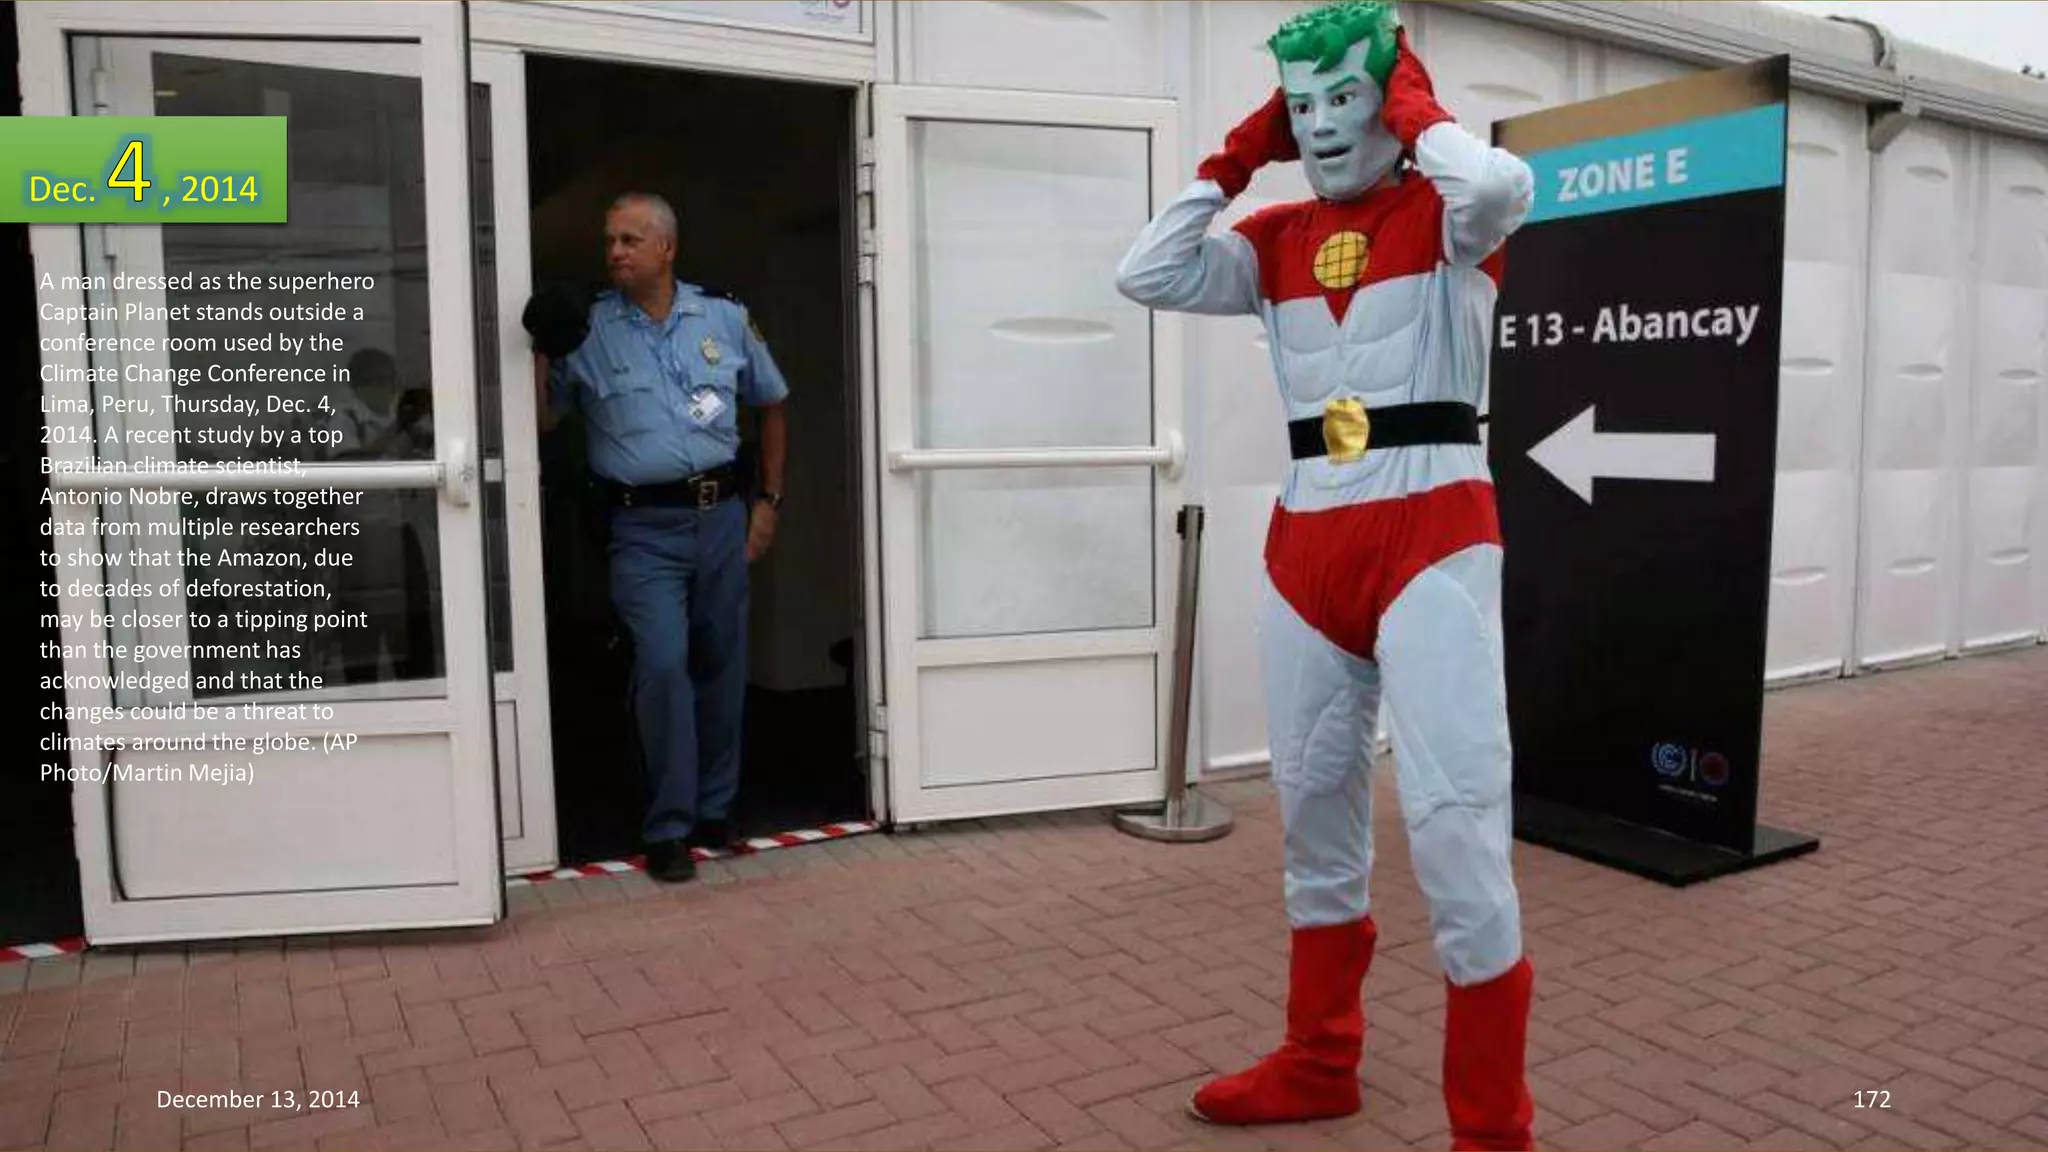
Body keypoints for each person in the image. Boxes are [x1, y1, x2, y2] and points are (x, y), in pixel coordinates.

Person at [1115, 3, 1539, 1148]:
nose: (1319, 127)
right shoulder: (1273, 240)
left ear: (1395, 103)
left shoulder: (1449, 220)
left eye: (1342, 100)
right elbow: (1143, 272)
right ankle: (1318, 1061)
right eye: (1297, 108)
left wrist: (1419, 106)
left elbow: (1501, 189)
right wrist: (1231, 157)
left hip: (1433, 536)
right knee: (1311, 813)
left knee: (1454, 824)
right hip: (1306, 545)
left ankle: (1492, 1128)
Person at [525, 192, 789, 885]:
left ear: (667, 248)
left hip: (721, 515)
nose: (614, 251)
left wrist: (769, 500)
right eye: (609, 240)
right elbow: (543, 423)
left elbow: (771, 401)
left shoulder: (724, 318)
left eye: (630, 239)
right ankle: (668, 825)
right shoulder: (589, 330)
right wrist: (541, 354)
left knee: (722, 662)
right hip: (642, 529)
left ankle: (715, 808)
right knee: (664, 665)